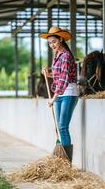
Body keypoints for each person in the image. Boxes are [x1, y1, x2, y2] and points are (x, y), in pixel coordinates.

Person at [40, 27, 78, 162]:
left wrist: (53, 99)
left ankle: (66, 163)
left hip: (68, 93)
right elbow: (58, 76)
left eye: (54, 42)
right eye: (50, 43)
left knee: (62, 127)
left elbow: (64, 80)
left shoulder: (66, 55)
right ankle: (61, 159)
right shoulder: (57, 56)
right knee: (59, 127)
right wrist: (48, 74)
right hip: (60, 94)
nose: (52, 45)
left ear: (61, 39)